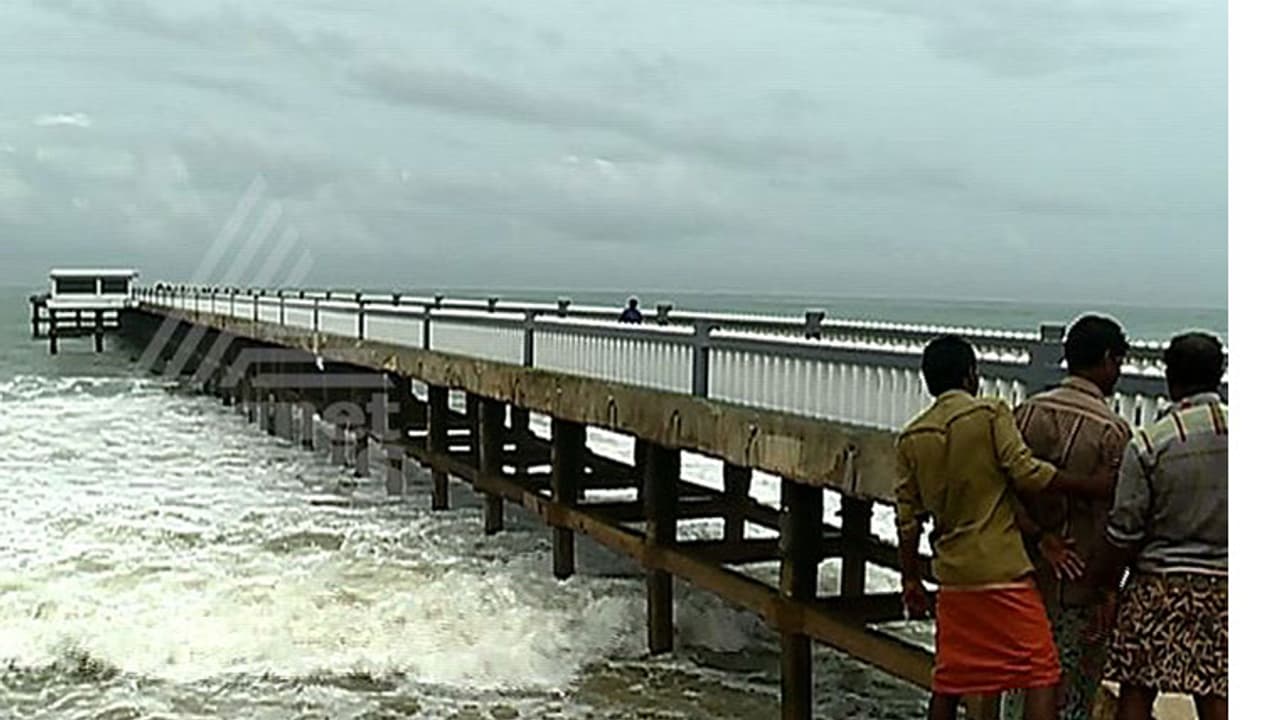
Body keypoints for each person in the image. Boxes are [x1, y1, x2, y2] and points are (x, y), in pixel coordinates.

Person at [896, 335, 1114, 720]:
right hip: (1001, 570)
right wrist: (1089, 485)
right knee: (1041, 669)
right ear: (970, 375)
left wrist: (911, 579)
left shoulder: (911, 437)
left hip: (953, 576)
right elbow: (1025, 472)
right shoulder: (990, 413)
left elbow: (907, 521)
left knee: (949, 678)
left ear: (929, 383)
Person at [1088, 332, 1227, 720]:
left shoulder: (1151, 442)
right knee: (1217, 692)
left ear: (1169, 377)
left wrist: (1106, 587)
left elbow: (1124, 529)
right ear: (1220, 372)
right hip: (1226, 588)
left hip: (1159, 584)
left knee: (1136, 686)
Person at [1002, 316, 1132, 720]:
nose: (1119, 372)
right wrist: (1108, 588)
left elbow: (1002, 490)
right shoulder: (1112, 430)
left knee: (1021, 684)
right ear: (1107, 359)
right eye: (1118, 362)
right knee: (1071, 691)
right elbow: (1117, 518)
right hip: (1081, 583)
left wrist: (1040, 536)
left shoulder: (1025, 414)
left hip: (1024, 577)